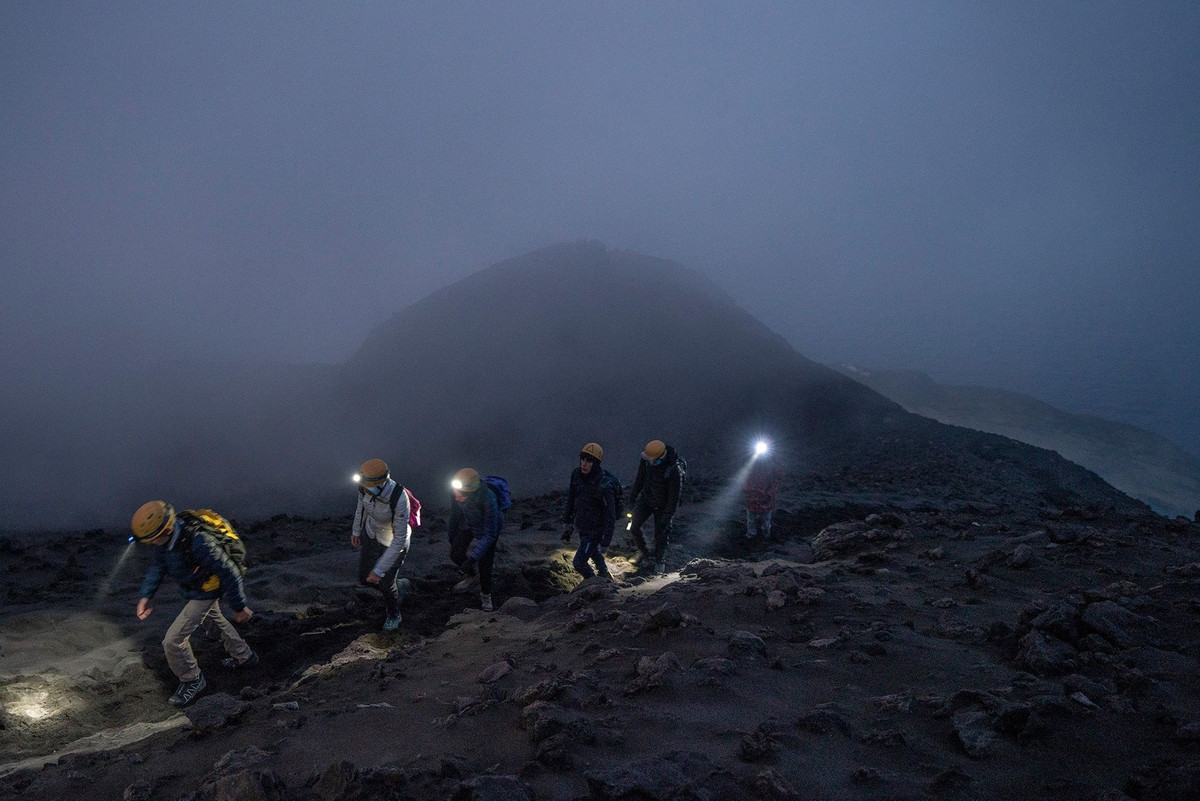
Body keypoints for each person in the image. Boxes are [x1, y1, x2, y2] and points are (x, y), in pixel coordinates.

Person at [131, 501, 256, 708]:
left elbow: (229, 572)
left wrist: (239, 607)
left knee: (173, 641)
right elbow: (158, 567)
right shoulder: (166, 541)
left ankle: (192, 680)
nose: (150, 544)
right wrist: (146, 596)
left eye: (153, 540)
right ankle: (245, 656)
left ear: (168, 530)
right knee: (214, 621)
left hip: (206, 591)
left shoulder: (199, 541)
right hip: (195, 589)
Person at [351, 458, 413, 632]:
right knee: (364, 578)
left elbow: (399, 539)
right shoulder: (364, 489)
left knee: (385, 584)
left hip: (393, 542)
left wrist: (379, 570)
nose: (364, 489)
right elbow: (361, 508)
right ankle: (399, 585)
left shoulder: (399, 498)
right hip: (372, 535)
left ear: (380, 483)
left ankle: (394, 614)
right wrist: (356, 531)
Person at [447, 467, 502, 612]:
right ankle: (472, 576)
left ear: (471, 493)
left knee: (485, 564)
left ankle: (486, 595)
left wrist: (472, 559)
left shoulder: (488, 500)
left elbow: (489, 535)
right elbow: (455, 514)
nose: (456, 497)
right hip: (468, 524)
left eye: (461, 495)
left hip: (488, 528)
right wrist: (452, 535)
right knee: (456, 554)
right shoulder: (457, 492)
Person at [561, 442, 618, 580]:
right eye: (583, 459)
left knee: (579, 562)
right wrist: (567, 522)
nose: (584, 464)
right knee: (591, 551)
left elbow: (610, 515)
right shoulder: (576, 475)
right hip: (583, 526)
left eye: (589, 461)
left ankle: (594, 583)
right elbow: (571, 498)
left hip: (595, 530)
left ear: (596, 463)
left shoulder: (603, 485)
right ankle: (604, 573)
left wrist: (606, 541)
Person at [628, 439, 684, 575]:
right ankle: (644, 551)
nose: (649, 462)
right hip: (647, 499)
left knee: (661, 535)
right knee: (633, 526)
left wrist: (667, 517)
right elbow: (640, 478)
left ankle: (660, 562)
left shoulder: (673, 471)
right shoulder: (646, 461)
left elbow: (674, 498)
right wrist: (633, 497)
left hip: (664, 506)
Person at [743, 451, 783, 538]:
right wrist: (747, 489)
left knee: (765, 519)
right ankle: (751, 534)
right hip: (753, 495)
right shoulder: (752, 464)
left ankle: (766, 534)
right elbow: (746, 477)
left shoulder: (773, 465)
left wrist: (770, 492)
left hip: (766, 496)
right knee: (751, 518)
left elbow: (777, 479)